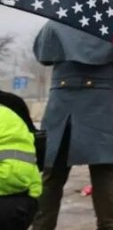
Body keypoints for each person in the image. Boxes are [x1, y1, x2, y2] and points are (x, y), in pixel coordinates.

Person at [30, 22, 113, 230]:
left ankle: (42, 227)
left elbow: (42, 55)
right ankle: (110, 226)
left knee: (52, 177)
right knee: (105, 174)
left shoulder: (55, 21)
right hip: (101, 105)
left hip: (61, 106)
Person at [0, 89, 42, 230]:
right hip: (21, 200)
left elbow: (15, 176)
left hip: (11, 198)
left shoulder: (7, 107)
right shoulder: (11, 104)